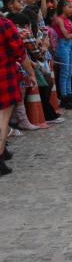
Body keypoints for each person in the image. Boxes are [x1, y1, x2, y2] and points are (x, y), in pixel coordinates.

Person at [0, 12, 26, 176]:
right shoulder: (4, 24)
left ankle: (4, 150)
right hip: (3, 73)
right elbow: (18, 49)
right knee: (3, 118)